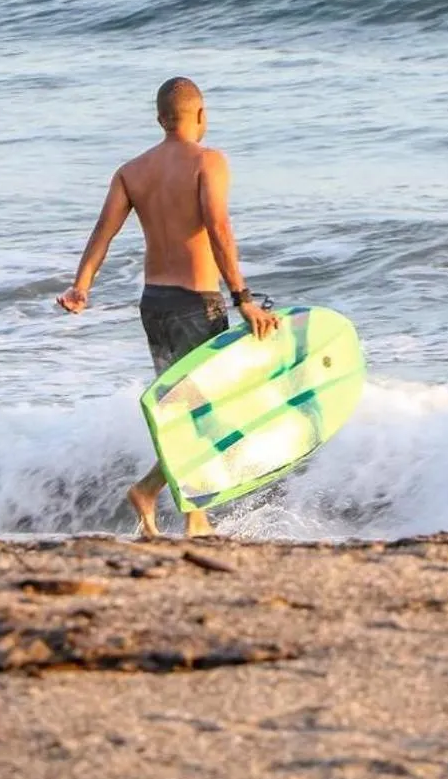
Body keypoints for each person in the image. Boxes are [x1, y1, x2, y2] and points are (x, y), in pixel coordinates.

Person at [57, 77, 281, 538]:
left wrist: (81, 286)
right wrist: (244, 299)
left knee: (188, 410)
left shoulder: (131, 171)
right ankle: (151, 491)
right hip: (196, 305)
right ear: (202, 116)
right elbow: (218, 227)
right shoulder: (209, 161)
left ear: (160, 119)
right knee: (215, 410)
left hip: (153, 305)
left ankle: (194, 515)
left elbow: (104, 231)